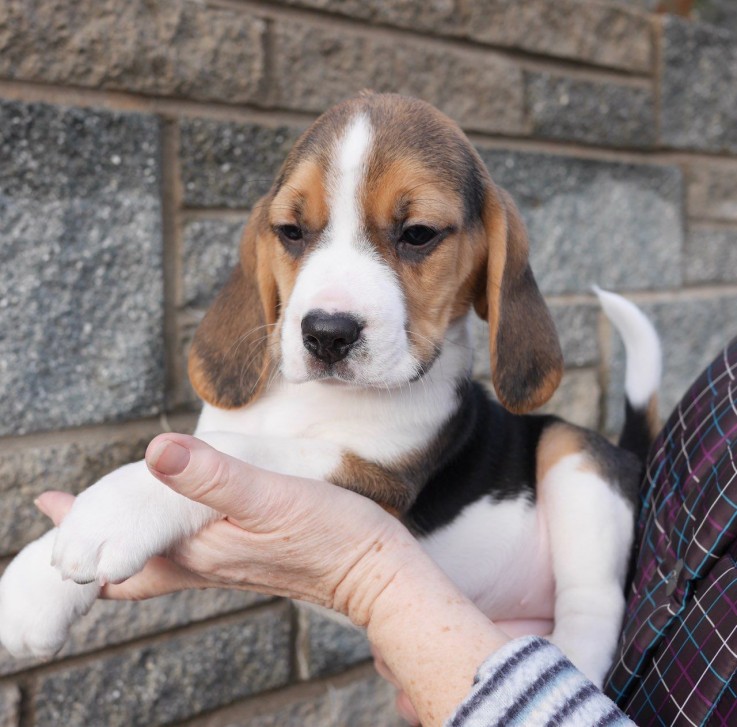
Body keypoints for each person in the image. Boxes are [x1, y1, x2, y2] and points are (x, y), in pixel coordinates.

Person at [35, 433, 633, 727]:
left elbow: (338, 483)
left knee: (576, 449)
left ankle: (589, 625)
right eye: (295, 233)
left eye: (416, 235)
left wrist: (370, 577)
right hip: (491, 652)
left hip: (560, 610)